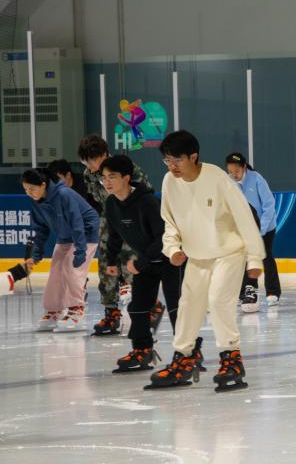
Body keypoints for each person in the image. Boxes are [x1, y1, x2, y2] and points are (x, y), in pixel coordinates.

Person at [146, 131, 265, 393]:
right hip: (197, 257)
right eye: (167, 161)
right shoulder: (169, 182)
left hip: (229, 252)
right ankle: (184, 358)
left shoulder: (217, 178)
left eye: (177, 160)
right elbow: (169, 221)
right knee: (188, 305)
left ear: (193, 157)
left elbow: (244, 217)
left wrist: (254, 257)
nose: (172, 166)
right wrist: (172, 248)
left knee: (218, 300)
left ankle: (231, 360)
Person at [100, 155, 182, 372]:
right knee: (138, 307)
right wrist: (111, 259)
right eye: (104, 178)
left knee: (177, 308)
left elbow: (163, 236)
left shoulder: (147, 202)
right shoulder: (111, 203)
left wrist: (141, 262)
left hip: (170, 259)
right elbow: (114, 234)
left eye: (112, 177)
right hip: (147, 260)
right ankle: (142, 350)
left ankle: (187, 353)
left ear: (126, 178)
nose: (107, 182)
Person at [78, 134, 155, 336]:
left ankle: (148, 309)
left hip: (132, 218)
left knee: (132, 265)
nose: (90, 165)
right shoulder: (89, 174)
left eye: (92, 160)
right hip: (109, 218)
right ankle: (111, 313)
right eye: (86, 161)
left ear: (104, 154)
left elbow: (145, 189)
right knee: (106, 265)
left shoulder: (123, 166)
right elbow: (94, 198)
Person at [22, 167, 100, 331]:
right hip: (65, 235)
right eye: (26, 189)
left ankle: (76, 310)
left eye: (32, 188)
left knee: (71, 268)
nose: (29, 193)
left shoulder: (64, 195)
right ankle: (54, 310)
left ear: (43, 185)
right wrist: (36, 254)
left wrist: (80, 250)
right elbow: (41, 229)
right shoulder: (36, 201)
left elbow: (77, 222)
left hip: (85, 232)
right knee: (56, 270)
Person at [225, 153, 281, 311]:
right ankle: (246, 293)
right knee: (242, 259)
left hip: (265, 227)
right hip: (243, 229)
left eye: (237, 171)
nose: (234, 175)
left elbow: (269, 205)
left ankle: (273, 292)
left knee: (265, 256)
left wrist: (260, 230)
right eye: (230, 172)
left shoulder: (257, 179)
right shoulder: (228, 182)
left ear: (244, 167)